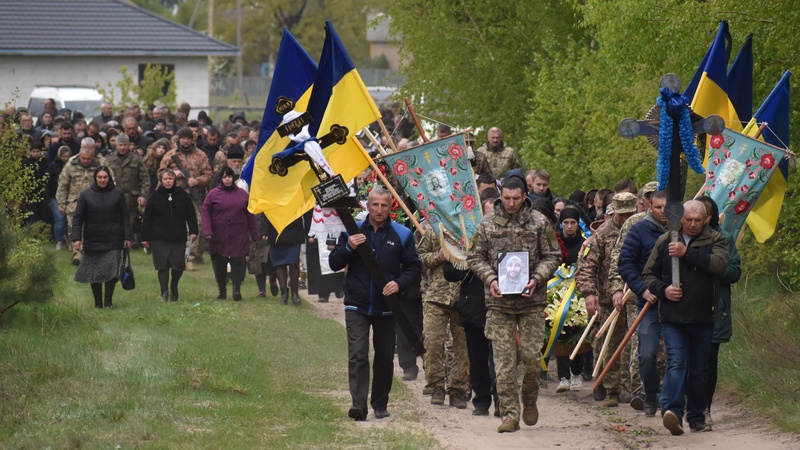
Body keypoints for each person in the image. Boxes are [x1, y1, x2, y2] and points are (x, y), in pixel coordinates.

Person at [467, 176, 562, 433]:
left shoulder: (539, 222)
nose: (511, 203)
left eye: (516, 199)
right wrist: (490, 279)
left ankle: (529, 399)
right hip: (499, 303)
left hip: (531, 301)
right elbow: (474, 256)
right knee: (504, 363)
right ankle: (509, 414)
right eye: (507, 198)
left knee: (531, 359)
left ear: (524, 196)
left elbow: (553, 255)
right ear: (501, 196)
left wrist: (537, 278)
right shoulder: (486, 224)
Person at [328, 187, 422, 422]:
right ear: (367, 206)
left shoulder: (402, 234)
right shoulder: (353, 230)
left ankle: (380, 403)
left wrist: (398, 284)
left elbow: (414, 268)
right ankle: (358, 405)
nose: (379, 210)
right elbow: (333, 263)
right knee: (358, 354)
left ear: (391, 208)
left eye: (384, 206)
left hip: (387, 305)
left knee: (383, 357)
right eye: (375, 205)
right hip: (356, 304)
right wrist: (348, 246)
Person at [642, 200, 729, 435]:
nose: (692, 225)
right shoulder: (666, 240)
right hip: (673, 316)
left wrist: (686, 253)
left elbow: (720, 266)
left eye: (697, 220)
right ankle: (673, 413)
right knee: (677, 363)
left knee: (700, 369)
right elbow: (648, 274)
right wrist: (663, 290)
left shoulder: (715, 240)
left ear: (706, 220)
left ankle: (697, 417)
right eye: (688, 220)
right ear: (680, 218)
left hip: (703, 316)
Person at [575, 192, 638, 407]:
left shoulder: (640, 228)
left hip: (634, 295)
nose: (625, 219)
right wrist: (589, 293)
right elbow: (587, 266)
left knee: (631, 344)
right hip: (607, 298)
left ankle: (632, 387)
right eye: (622, 215)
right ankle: (611, 388)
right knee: (609, 342)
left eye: (629, 214)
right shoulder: (602, 234)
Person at [606, 180, 659, 410]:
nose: (651, 200)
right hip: (636, 290)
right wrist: (617, 288)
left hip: (667, 293)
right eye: (648, 196)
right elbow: (620, 257)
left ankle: (665, 389)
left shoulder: (677, 221)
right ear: (644, 200)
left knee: (667, 349)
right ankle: (640, 390)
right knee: (640, 343)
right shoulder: (634, 224)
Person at [616, 189, 669, 416]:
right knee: (647, 354)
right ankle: (650, 394)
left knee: (676, 353)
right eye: (658, 207)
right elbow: (625, 263)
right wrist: (643, 290)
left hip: (678, 304)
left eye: (667, 207)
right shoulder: (638, 230)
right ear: (649, 206)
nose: (663, 212)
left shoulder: (682, 228)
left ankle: (672, 398)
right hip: (648, 303)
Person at [695, 196, 741, 429]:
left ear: (710, 217)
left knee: (708, 360)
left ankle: (705, 407)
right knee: (684, 358)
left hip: (714, 308)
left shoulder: (724, 239)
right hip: (686, 309)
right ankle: (684, 403)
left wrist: (712, 265)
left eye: (703, 215)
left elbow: (734, 272)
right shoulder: (679, 238)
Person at [418, 219, 470, 409]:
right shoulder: (432, 229)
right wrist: (438, 257)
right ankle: (436, 385)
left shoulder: (468, 230)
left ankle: (458, 388)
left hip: (462, 296)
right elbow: (420, 258)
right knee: (432, 342)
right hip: (436, 296)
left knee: (462, 346)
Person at [71, 166, 131, 309]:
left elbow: (125, 216)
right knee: (95, 273)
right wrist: (76, 238)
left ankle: (108, 301)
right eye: (99, 177)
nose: (102, 180)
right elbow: (78, 218)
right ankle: (98, 303)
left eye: (105, 177)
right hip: (93, 239)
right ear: (95, 178)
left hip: (113, 239)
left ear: (109, 178)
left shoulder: (118, 194)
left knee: (111, 271)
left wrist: (127, 236)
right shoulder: (86, 195)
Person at [141, 169, 198, 302]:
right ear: (161, 180)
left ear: (175, 180)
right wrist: (145, 237)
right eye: (165, 179)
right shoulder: (154, 197)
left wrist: (194, 231)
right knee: (163, 266)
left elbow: (191, 215)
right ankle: (164, 290)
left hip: (178, 237)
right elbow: (147, 218)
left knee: (178, 266)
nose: (168, 181)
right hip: (159, 238)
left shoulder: (183, 196)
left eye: (170, 179)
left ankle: (174, 285)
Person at [202, 167, 258, 300]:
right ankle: (222, 289)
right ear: (221, 179)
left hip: (238, 234)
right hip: (218, 234)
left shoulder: (243, 195)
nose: (227, 179)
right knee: (219, 262)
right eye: (224, 177)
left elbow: (250, 216)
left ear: (234, 178)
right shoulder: (213, 194)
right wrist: (207, 231)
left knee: (238, 262)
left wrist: (255, 234)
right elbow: (205, 212)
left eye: (230, 177)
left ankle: (236, 288)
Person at [160, 127, 213, 265]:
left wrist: (196, 181)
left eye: (188, 138)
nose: (186, 141)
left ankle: (194, 254)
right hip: (174, 195)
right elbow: (160, 173)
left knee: (198, 223)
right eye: (183, 138)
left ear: (192, 139)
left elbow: (208, 175)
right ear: (179, 139)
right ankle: (175, 252)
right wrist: (174, 174)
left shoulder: (201, 155)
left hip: (195, 196)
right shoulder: (170, 155)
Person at [553, 206, 590, 393]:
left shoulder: (585, 243)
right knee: (559, 332)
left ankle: (577, 373)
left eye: (572, 223)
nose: (569, 227)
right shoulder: (554, 242)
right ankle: (563, 376)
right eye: (565, 223)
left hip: (578, 292)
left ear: (578, 224)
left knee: (577, 332)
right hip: (556, 293)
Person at [57, 140, 104, 265]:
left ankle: (90, 254)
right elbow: (63, 185)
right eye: (83, 159)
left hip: (95, 204)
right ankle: (77, 254)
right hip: (74, 203)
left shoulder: (101, 163)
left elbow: (109, 182)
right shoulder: (71, 164)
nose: (85, 161)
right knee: (74, 229)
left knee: (92, 230)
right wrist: (61, 204)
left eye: (88, 159)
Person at [104, 134, 150, 249]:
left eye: (125, 145)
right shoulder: (109, 159)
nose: (123, 147)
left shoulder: (137, 159)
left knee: (129, 222)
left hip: (131, 198)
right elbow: (102, 178)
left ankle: (127, 243)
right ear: (116, 145)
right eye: (120, 145)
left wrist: (143, 195)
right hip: (112, 197)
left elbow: (145, 179)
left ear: (129, 145)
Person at [46, 145, 71, 249]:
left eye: (67, 156)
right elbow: (47, 182)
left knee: (69, 220)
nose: (65, 159)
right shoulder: (53, 166)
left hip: (70, 196)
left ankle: (68, 240)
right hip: (55, 196)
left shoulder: (72, 166)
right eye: (63, 156)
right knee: (60, 219)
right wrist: (47, 197)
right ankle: (59, 241)